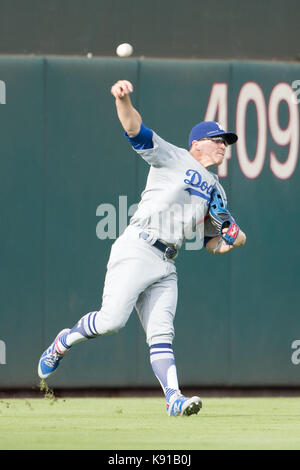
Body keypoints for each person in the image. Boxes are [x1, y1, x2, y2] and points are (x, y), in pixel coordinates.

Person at [38, 79, 246, 417]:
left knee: (162, 334)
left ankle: (174, 398)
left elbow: (213, 242)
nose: (224, 146)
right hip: (139, 247)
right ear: (198, 143)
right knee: (111, 322)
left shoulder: (217, 190)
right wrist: (123, 99)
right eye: (218, 140)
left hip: (167, 262)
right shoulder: (174, 156)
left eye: (226, 142)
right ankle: (63, 341)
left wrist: (233, 239)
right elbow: (135, 128)